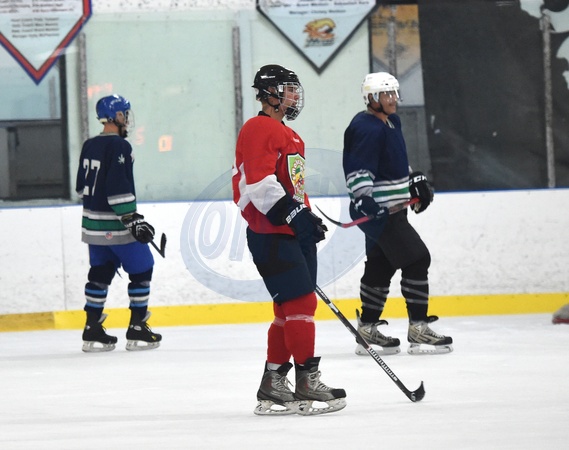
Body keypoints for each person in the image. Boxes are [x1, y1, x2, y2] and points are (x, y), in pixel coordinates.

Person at [232, 64, 346, 415]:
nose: (295, 95)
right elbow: (259, 183)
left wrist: (305, 218)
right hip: (270, 232)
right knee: (301, 305)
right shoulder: (258, 127)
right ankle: (307, 381)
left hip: (288, 231)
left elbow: (291, 187)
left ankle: (274, 383)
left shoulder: (290, 135)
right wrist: (294, 215)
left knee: (288, 310)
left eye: (295, 89)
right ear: (270, 93)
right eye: (288, 88)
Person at [342, 72, 453, 355]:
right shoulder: (365, 127)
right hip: (379, 212)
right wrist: (364, 200)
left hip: (393, 209)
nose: (393, 99)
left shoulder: (392, 122)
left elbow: (393, 161)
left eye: (394, 93)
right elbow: (358, 169)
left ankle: (367, 330)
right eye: (386, 94)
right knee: (417, 258)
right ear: (371, 98)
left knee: (381, 265)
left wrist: (412, 179)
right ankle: (418, 327)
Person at [76, 94, 162, 353]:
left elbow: (81, 188)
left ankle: (92, 329)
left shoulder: (89, 145)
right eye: (124, 113)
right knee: (143, 268)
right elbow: (117, 189)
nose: (127, 118)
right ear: (116, 116)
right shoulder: (120, 146)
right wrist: (132, 220)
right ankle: (137, 328)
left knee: (100, 272)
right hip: (116, 225)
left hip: (92, 226)